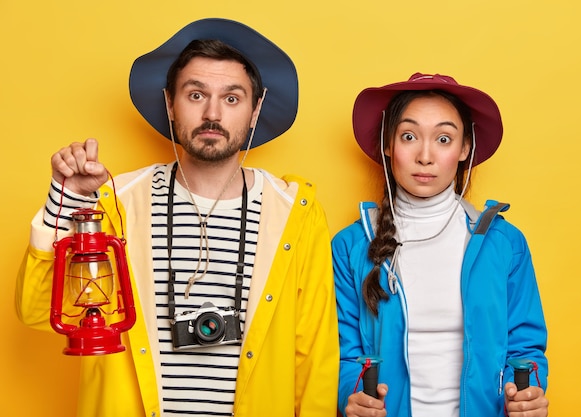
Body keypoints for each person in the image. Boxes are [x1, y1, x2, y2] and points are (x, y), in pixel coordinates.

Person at [15, 18, 339, 417]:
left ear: (256, 111)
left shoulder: (295, 213)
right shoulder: (116, 204)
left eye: (233, 98)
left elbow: (315, 356)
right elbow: (36, 311)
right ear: (170, 103)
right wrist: (67, 198)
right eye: (196, 94)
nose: (213, 113)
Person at [332, 73, 548, 417]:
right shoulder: (351, 245)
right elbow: (341, 352)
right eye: (408, 136)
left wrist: (527, 395)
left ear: (465, 149)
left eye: (444, 138)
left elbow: (525, 348)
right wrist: (352, 396)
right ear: (388, 144)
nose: (425, 155)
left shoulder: (504, 243)